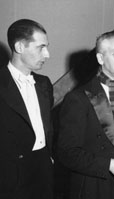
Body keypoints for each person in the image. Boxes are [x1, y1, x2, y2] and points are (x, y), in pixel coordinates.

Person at [57, 30, 114, 199]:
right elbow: (66, 152)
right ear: (100, 58)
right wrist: (108, 165)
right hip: (95, 187)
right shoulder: (78, 98)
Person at [0, 19, 54, 199]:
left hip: (44, 173)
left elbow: (48, 126)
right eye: (41, 47)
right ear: (20, 47)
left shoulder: (44, 83)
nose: (47, 54)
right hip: (10, 179)